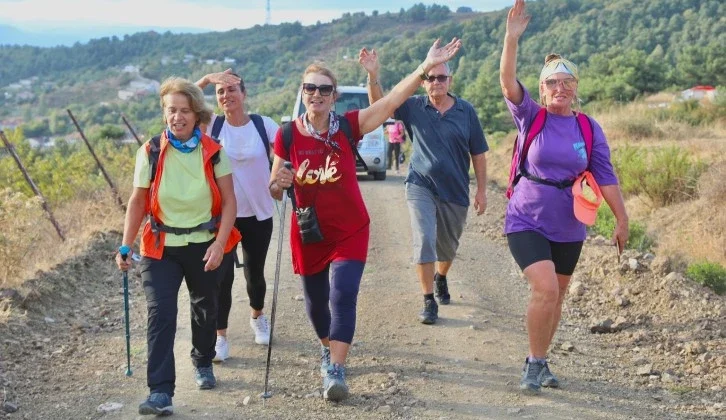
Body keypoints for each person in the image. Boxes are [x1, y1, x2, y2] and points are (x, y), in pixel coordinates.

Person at [269, 38, 462, 401]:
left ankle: (336, 370)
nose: (317, 94)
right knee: (315, 302)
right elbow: (275, 188)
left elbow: (390, 102)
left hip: (350, 229)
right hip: (309, 231)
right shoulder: (288, 134)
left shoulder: (347, 127)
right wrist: (277, 183)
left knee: (343, 293)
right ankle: (328, 348)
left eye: (324, 89)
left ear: (334, 96)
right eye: (310, 88)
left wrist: (424, 67)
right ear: (303, 92)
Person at [500, 0, 629, 394]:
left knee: (557, 298)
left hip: (571, 222)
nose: (560, 88)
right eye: (552, 82)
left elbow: (605, 175)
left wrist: (622, 218)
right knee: (546, 289)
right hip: (526, 216)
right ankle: (534, 364)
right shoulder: (530, 116)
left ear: (576, 88)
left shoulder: (589, 128)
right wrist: (511, 38)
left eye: (566, 82)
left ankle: (540, 361)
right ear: (542, 89)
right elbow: (507, 81)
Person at [115, 76, 240, 416]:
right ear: (164, 113)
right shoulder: (151, 151)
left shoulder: (214, 153)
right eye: (172, 110)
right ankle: (160, 391)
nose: (178, 117)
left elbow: (230, 203)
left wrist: (218, 245)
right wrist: (126, 247)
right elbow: (137, 202)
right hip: (161, 246)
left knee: (205, 308)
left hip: (204, 244)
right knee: (161, 314)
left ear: (197, 114)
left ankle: (202, 360)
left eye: (185, 110)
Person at [362, 43, 489, 325]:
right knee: (424, 240)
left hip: (455, 190)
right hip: (420, 184)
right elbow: (380, 106)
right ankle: (428, 300)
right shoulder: (413, 107)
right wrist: (373, 75)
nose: (436, 83)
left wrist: (481, 190)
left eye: (441, 77)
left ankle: (441, 276)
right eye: (430, 78)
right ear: (424, 82)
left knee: (448, 247)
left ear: (449, 81)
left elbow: (478, 153)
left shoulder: (466, 112)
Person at [196, 70, 279, 361]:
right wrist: (205, 80)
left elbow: (283, 151)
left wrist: (281, 176)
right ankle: (221, 337)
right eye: (220, 92)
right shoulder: (212, 125)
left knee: (254, 275)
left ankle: (258, 316)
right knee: (221, 278)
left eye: (231, 90)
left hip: (258, 213)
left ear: (243, 94)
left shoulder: (262, 125)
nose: (226, 96)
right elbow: (184, 105)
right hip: (221, 217)